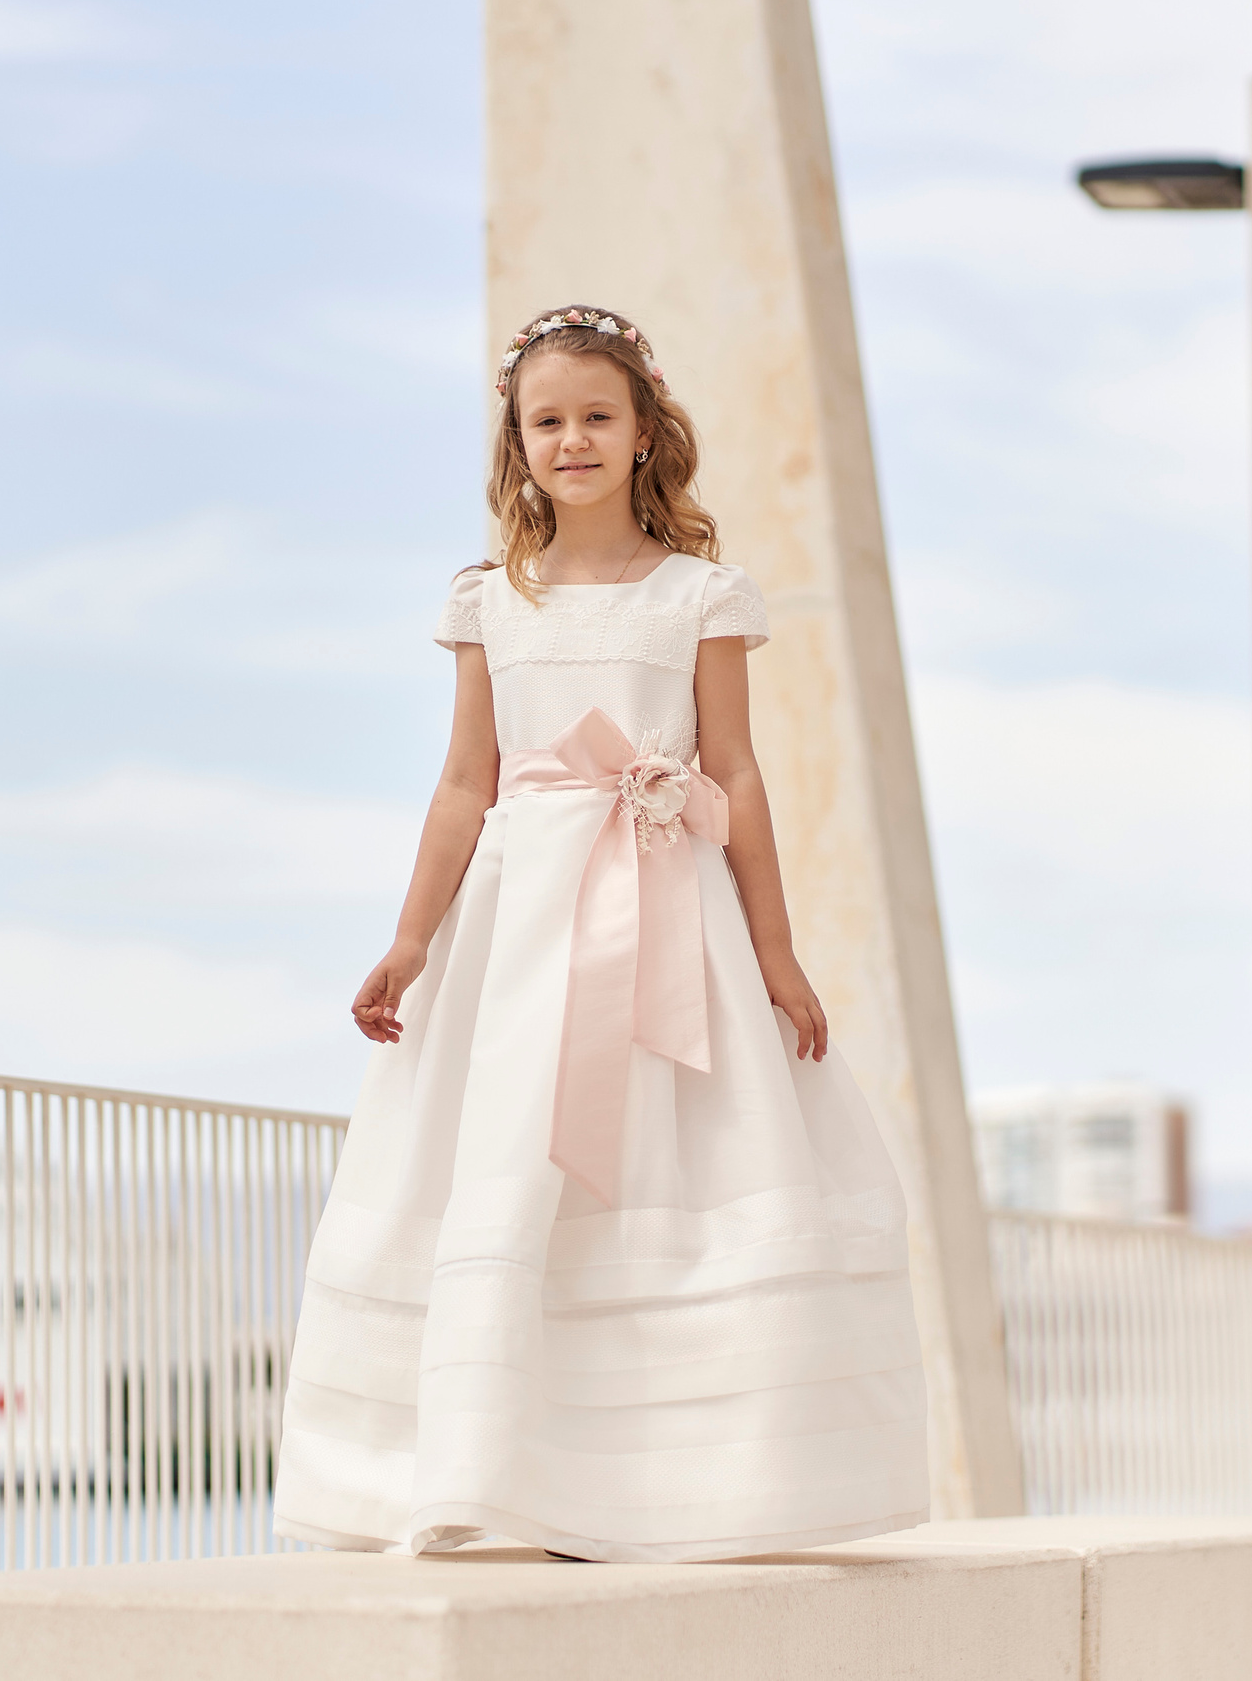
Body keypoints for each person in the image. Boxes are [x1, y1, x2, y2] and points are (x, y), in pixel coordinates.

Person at [273, 306, 929, 1563]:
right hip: (513, 936)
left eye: (595, 416)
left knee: (671, 1168)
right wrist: (412, 941)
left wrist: (778, 953)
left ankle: (678, 1485)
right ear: (516, 447)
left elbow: (732, 767)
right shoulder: (488, 603)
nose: (570, 438)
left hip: (666, 911)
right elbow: (466, 782)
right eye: (545, 421)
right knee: (514, 1172)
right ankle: (483, 1470)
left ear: (642, 436)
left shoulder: (701, 595)